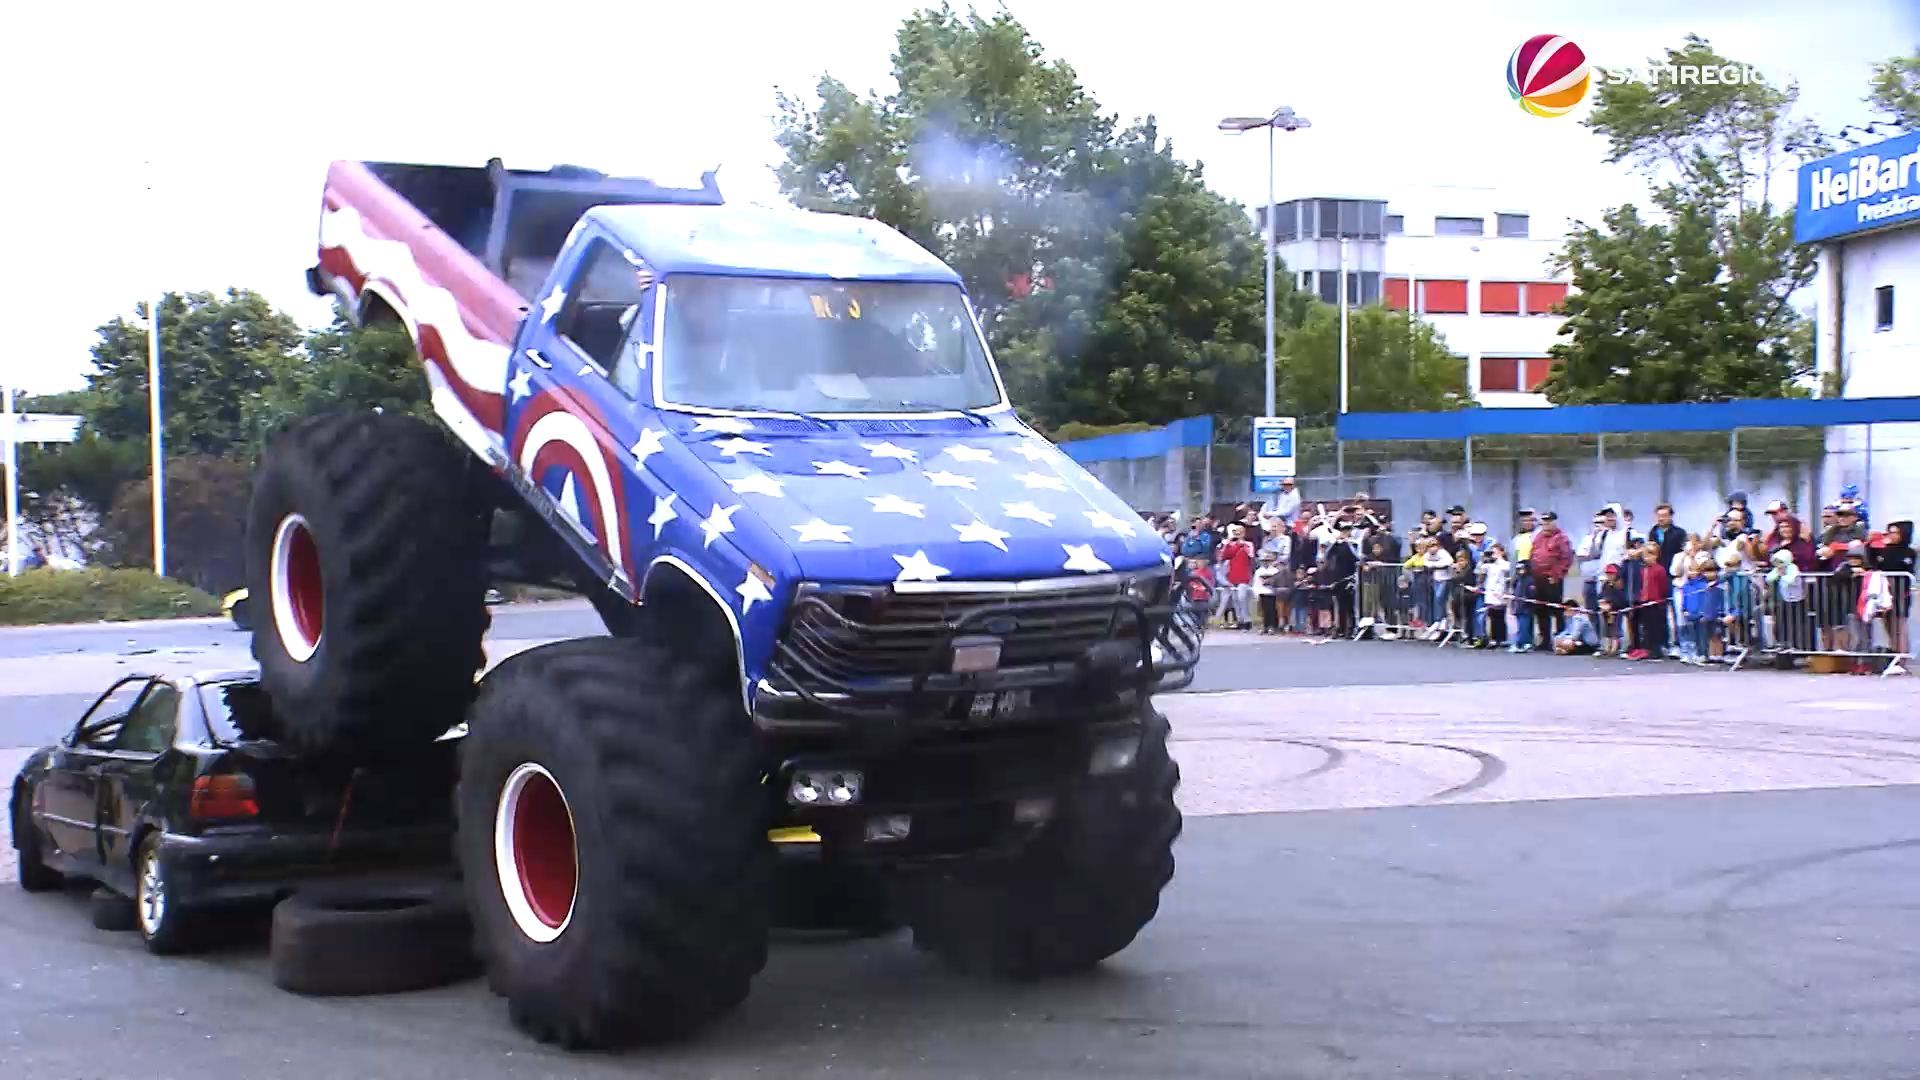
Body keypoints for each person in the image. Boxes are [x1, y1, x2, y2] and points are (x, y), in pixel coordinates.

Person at [1530, 511, 1574, 644]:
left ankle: (1559, 638)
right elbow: (1533, 554)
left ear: (1554, 522)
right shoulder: (1538, 537)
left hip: (1552, 578)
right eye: (1544, 521)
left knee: (1556, 609)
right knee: (1540, 610)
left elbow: (1566, 559)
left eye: (1549, 521)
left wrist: (1557, 575)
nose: (1546, 524)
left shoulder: (1561, 538)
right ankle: (1545, 639)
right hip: (1538, 578)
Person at [1874, 520, 1914, 656]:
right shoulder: (1883, 549)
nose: (1892, 535)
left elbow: (1902, 566)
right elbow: (1876, 564)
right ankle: (1894, 651)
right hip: (1884, 591)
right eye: (1890, 532)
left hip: (1901, 591)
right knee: (1887, 622)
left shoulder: (1909, 551)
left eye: (1895, 532)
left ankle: (1902, 655)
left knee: (1899, 623)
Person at [1628, 542, 1670, 660]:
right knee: (1646, 627)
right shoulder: (1643, 570)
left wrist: (1660, 599)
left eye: (1651, 555)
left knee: (1655, 627)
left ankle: (1656, 650)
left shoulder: (1659, 569)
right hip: (1644, 601)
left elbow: (1663, 586)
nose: (1648, 558)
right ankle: (1646, 648)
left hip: (1655, 602)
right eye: (1646, 555)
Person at [1510, 509, 1539, 652]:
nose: (1527, 523)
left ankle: (1524, 640)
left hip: (1532, 576)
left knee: (1527, 609)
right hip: (1519, 576)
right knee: (1521, 609)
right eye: (1524, 520)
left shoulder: (1538, 536)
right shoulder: (1517, 539)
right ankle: (1526, 639)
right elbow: (1513, 559)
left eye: (1530, 520)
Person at [1218, 523, 1256, 630]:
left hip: (1244, 575)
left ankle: (1247, 619)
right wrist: (1229, 543)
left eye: (1240, 532)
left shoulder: (1248, 544)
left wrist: (1240, 544)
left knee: (1242, 597)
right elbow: (1225, 556)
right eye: (1235, 532)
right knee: (1235, 599)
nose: (1237, 534)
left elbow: (1251, 555)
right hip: (1232, 575)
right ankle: (1240, 620)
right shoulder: (1230, 545)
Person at [1480, 543, 1512, 650]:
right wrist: (1485, 559)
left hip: (1500, 592)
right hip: (1490, 592)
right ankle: (1493, 638)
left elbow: (1507, 569)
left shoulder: (1504, 564)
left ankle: (1502, 638)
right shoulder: (1489, 565)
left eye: (1495, 551)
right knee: (1492, 616)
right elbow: (1481, 569)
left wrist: (1499, 559)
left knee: (1500, 616)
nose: (1493, 554)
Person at [1598, 563, 1627, 656]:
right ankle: (1607, 647)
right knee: (1606, 630)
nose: (1610, 576)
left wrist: (1611, 604)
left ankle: (1615, 648)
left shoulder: (1620, 585)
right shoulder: (1605, 585)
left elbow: (1621, 600)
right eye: (1608, 573)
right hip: (1606, 611)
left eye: (1612, 574)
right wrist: (1602, 602)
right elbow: (1601, 595)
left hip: (1616, 611)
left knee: (1616, 630)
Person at [1253, 550, 1284, 635]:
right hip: (1262, 592)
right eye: (1264, 561)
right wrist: (1256, 594)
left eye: (1268, 561)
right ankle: (1264, 626)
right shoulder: (1259, 571)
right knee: (1263, 611)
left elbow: (1278, 582)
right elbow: (1256, 583)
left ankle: (1272, 626)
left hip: (1272, 593)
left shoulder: (1275, 571)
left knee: (1272, 610)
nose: (1266, 563)